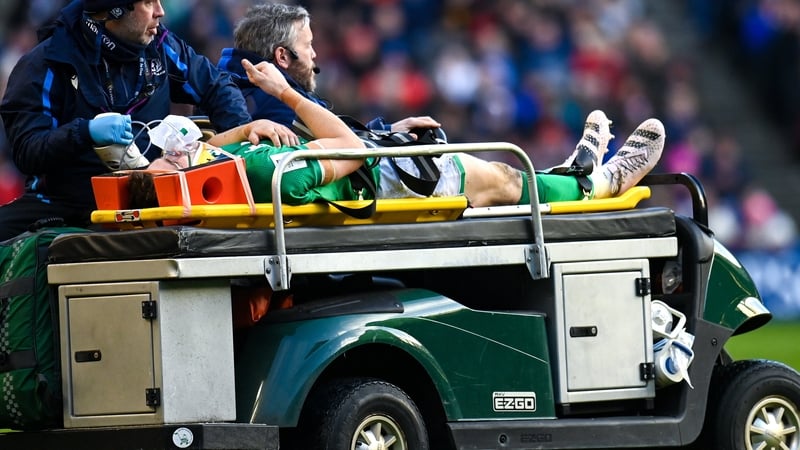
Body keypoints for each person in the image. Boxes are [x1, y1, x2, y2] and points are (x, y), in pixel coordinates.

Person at [130, 59, 665, 210]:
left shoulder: (219, 165)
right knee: (504, 179)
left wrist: (246, 126)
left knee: (502, 181)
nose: (181, 151)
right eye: (173, 161)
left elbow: (202, 150)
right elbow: (352, 147)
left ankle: (579, 169)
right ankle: (601, 183)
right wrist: (287, 97)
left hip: (369, 168)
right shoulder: (265, 170)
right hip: (386, 182)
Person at [0, 0, 290, 241]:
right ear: (115, 10)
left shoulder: (162, 46)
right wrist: (84, 132)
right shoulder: (45, 63)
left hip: (154, 201)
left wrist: (241, 143)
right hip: (69, 206)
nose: (160, 12)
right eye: (149, 2)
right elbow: (27, 151)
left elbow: (216, 86)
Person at [217, 2, 441, 136]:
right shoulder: (275, 100)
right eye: (308, 45)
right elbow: (346, 148)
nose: (314, 54)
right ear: (282, 56)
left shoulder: (226, 87)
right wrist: (387, 134)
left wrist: (388, 130)